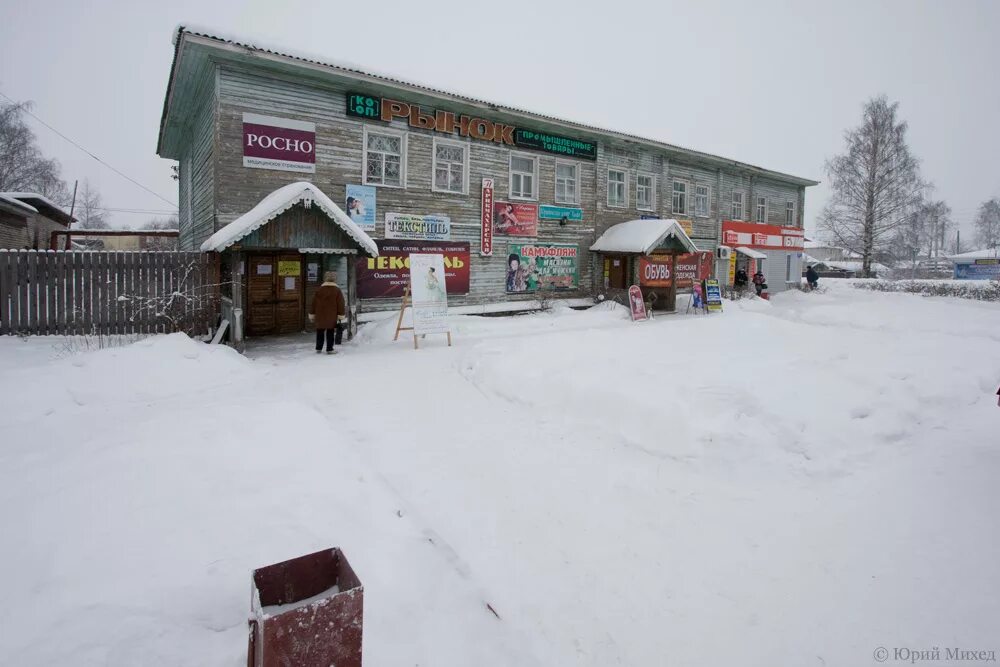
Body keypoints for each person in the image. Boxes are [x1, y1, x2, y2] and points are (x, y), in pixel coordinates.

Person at [309, 271, 345, 354]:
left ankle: (318, 348)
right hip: (331, 315)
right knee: (330, 332)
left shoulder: (319, 289)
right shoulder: (337, 290)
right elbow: (341, 303)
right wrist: (341, 315)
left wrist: (312, 314)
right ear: (335, 279)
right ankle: (329, 349)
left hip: (320, 315)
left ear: (325, 278)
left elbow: (313, 303)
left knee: (320, 331)